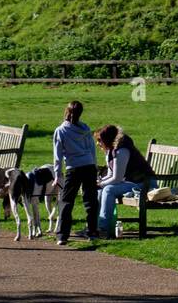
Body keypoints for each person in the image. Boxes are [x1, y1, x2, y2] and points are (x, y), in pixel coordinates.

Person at [94, 125, 157, 238]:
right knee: (99, 190)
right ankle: (94, 227)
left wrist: (101, 184)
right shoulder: (110, 151)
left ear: (107, 140)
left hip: (144, 183)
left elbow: (117, 178)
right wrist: (97, 183)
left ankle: (103, 229)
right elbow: (110, 174)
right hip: (130, 182)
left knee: (108, 190)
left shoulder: (122, 150)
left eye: (99, 140)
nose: (97, 144)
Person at [53, 100, 99, 245]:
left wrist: (57, 174)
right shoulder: (85, 129)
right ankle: (92, 232)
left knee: (66, 201)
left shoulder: (61, 131)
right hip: (89, 165)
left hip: (73, 167)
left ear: (66, 111)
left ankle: (62, 235)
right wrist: (95, 166)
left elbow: (58, 156)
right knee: (90, 199)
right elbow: (92, 150)